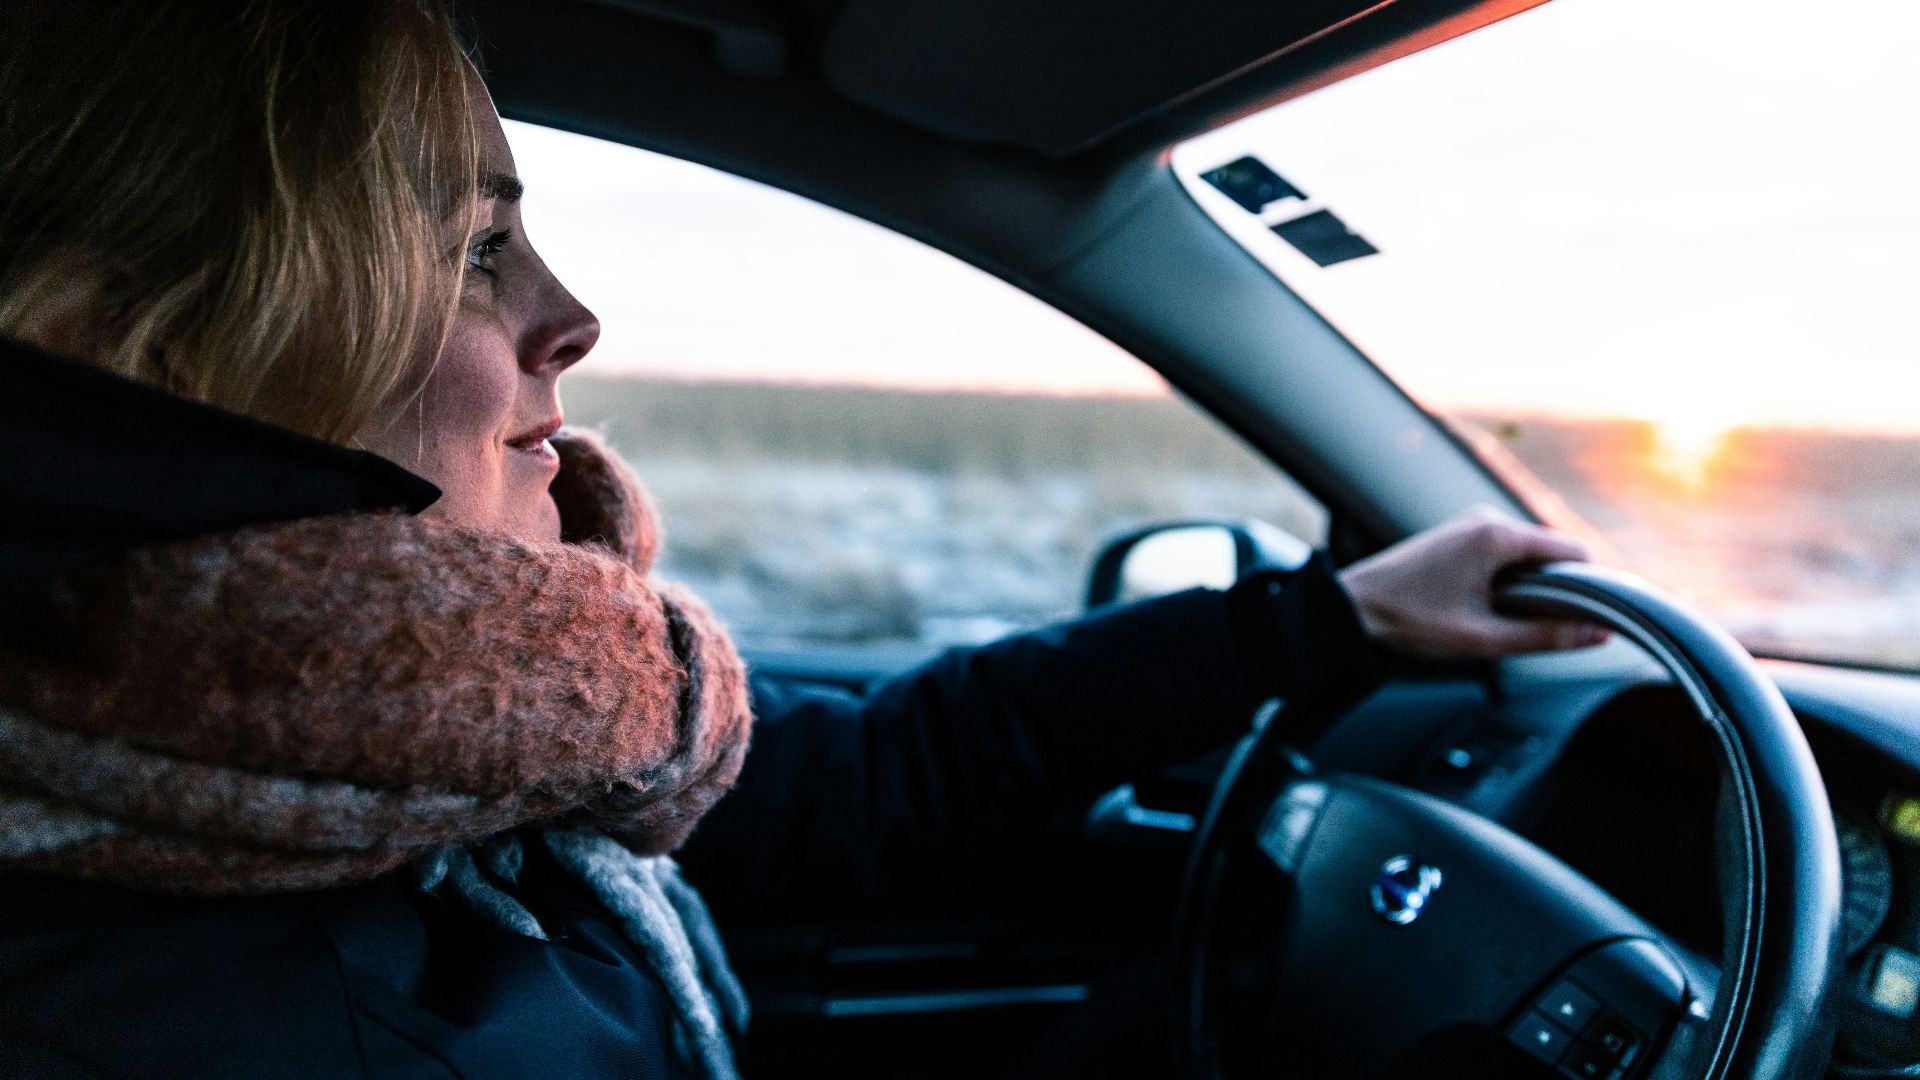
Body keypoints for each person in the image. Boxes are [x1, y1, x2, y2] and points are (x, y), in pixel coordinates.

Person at [0, 3, 1608, 1077]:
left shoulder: (420, 744)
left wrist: (1318, 626)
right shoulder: (210, 1007)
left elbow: (860, 780)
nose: (571, 317)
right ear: (122, 360)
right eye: (475, 250)